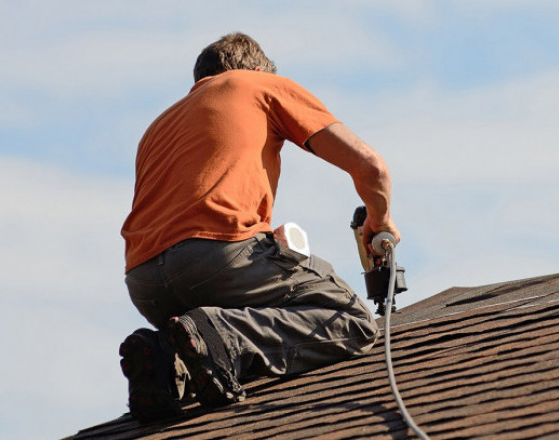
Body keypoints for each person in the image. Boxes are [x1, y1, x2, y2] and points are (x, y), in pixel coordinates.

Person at [117, 32, 401, 422]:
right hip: (217, 258)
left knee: (202, 336)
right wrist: (379, 219)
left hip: (145, 282)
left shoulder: (159, 126)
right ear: (255, 69)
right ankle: (225, 338)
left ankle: (166, 362)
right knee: (350, 320)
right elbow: (372, 167)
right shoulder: (258, 85)